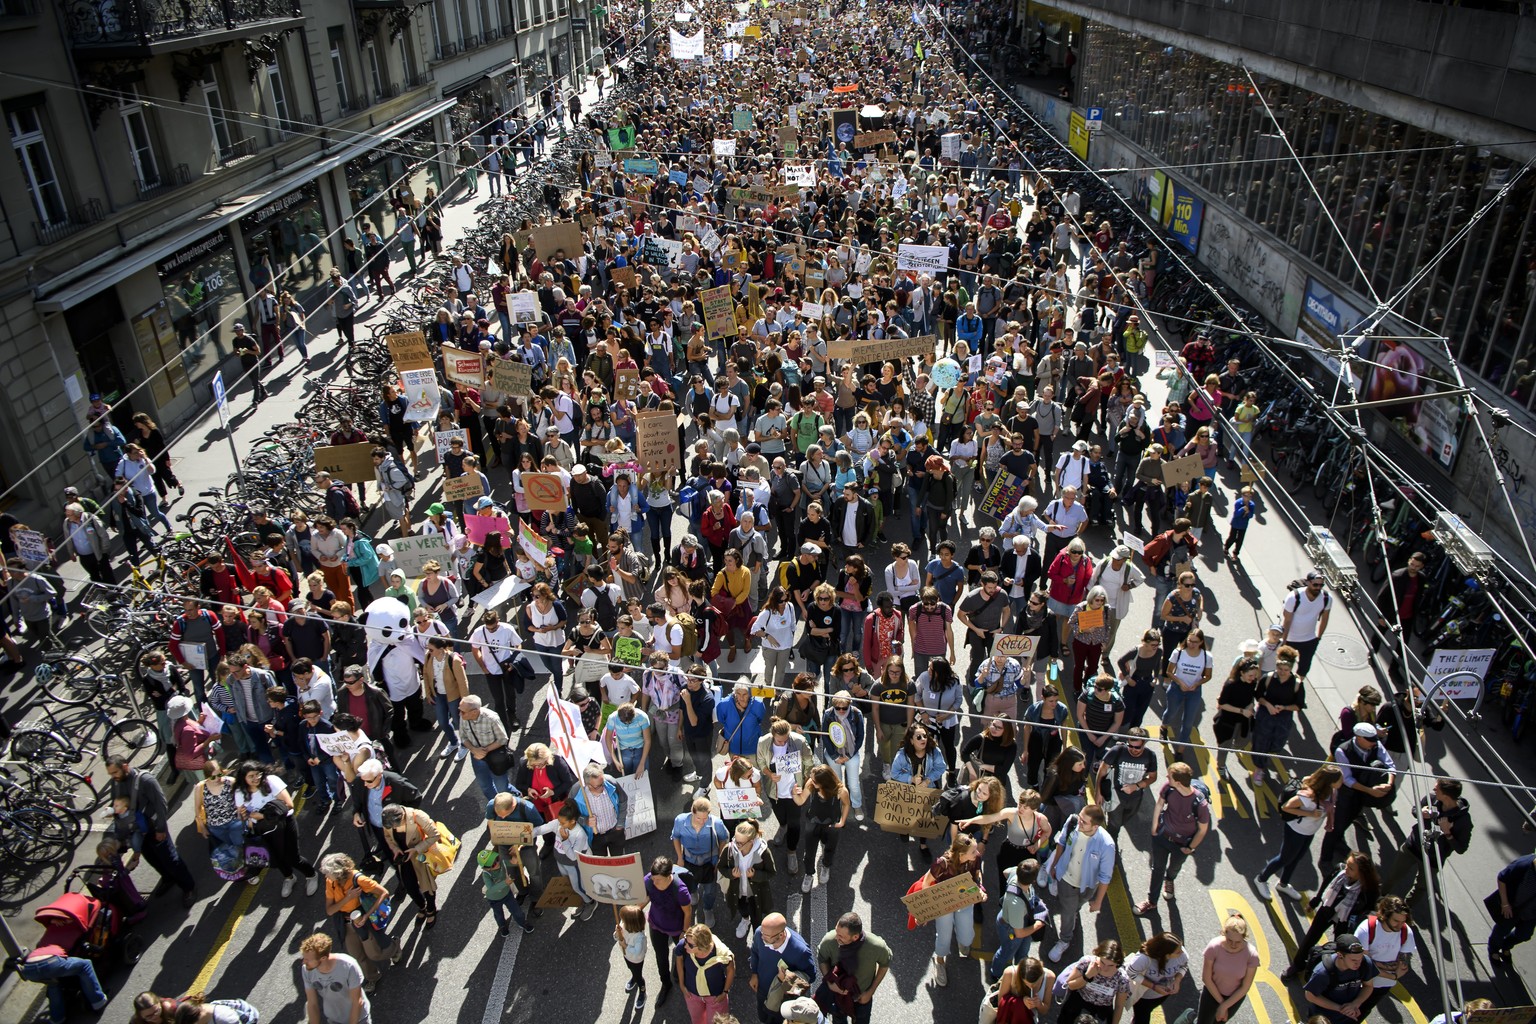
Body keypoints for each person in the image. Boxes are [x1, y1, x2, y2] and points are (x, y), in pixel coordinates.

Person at [106, 754, 196, 907]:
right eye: (111, 774)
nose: (113, 776)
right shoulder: (116, 782)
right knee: (152, 858)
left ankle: (188, 887)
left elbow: (161, 805)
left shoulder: (146, 780)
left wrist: (161, 829)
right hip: (138, 831)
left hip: (154, 828)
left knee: (171, 860)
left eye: (115, 772)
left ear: (125, 766)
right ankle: (167, 878)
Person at [1281, 851, 1381, 980]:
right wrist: (1315, 901)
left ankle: (1329, 973)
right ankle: (1297, 965)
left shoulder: (1370, 889)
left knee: (1338, 947)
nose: (1346, 869)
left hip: (1345, 921)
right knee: (1310, 937)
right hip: (1328, 908)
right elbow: (1326, 884)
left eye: (1351, 868)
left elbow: (1369, 910)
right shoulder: (1339, 870)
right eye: (1347, 864)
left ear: (1361, 874)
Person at [1254, 765, 1343, 900]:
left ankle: (1283, 884)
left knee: (1296, 857)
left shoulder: (1331, 791)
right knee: (1284, 858)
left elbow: (1330, 807)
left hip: (1309, 831)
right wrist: (1310, 813)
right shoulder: (1308, 795)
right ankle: (1261, 879)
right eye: (1340, 779)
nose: (1342, 781)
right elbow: (1286, 807)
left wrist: (1329, 820)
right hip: (1296, 830)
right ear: (1330, 781)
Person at [1317, 724, 1397, 870]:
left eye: (1374, 739)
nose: (1374, 742)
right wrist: (1369, 791)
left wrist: (1389, 784)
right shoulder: (1343, 750)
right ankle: (1325, 859)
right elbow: (1347, 779)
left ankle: (1338, 843)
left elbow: (1390, 765)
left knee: (1348, 820)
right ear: (1359, 738)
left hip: (1361, 796)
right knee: (1335, 827)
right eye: (1369, 739)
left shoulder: (1376, 745)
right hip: (1346, 796)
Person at [233, 759, 318, 896]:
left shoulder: (271, 781)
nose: (256, 778)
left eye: (258, 774)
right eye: (251, 776)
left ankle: (311, 875)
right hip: (263, 829)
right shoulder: (239, 792)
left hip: (284, 823)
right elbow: (242, 816)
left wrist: (263, 816)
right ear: (243, 778)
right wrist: (243, 816)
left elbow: (288, 805)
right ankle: (289, 878)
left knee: (293, 857)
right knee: (276, 858)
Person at [318, 852, 402, 990]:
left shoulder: (358, 879)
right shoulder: (330, 882)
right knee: (357, 955)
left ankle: (394, 947)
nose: (326, 876)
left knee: (375, 953)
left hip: (362, 919)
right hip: (346, 922)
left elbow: (384, 893)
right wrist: (347, 898)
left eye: (328, 873)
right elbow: (330, 910)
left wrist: (366, 916)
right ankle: (372, 977)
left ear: (338, 873)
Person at [1044, 805, 1116, 963]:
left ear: (1095, 826)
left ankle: (1075, 911)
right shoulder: (1073, 822)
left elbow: (1105, 877)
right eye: (1080, 818)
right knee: (1067, 912)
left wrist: (1098, 902)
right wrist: (1056, 865)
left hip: (1088, 886)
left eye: (1084, 821)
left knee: (1077, 905)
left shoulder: (1106, 845)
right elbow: (1061, 843)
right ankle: (1065, 940)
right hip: (1067, 880)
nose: (1079, 823)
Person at [1139, 761, 1210, 914]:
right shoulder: (1169, 788)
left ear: (1178, 782)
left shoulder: (1200, 804)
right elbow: (1159, 805)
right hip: (1162, 837)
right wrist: (1154, 828)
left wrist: (1190, 848)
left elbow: (1202, 830)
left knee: (1174, 868)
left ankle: (1169, 879)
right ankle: (1152, 901)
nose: (1166, 777)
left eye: (1169, 776)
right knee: (1157, 868)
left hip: (1182, 844)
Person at [815, 912, 893, 1024]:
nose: (836, 937)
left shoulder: (876, 946)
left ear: (855, 937)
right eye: (836, 931)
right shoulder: (830, 940)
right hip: (838, 996)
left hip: (862, 997)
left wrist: (870, 992)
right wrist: (830, 984)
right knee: (838, 1020)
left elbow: (884, 965)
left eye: (841, 936)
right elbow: (822, 959)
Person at [640, 856, 693, 1007]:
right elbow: (647, 896)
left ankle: (680, 974)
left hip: (677, 928)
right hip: (656, 925)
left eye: (657, 880)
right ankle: (666, 983)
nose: (653, 882)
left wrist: (684, 931)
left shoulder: (680, 890)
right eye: (653, 878)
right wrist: (636, 910)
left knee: (683, 954)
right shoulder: (649, 880)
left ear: (669, 876)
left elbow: (688, 912)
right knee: (660, 956)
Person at [748, 911, 817, 1024]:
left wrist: (787, 976)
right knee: (763, 1017)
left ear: (781, 935)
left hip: (783, 996)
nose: (762, 937)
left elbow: (810, 975)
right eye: (762, 933)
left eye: (766, 936)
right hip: (762, 988)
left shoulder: (800, 951)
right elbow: (754, 952)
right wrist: (754, 973)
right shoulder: (759, 934)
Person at [1353, 896, 1416, 1016]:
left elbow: (1403, 965)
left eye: (1403, 921)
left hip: (1383, 985)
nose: (1400, 925)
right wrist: (1392, 975)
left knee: (1361, 1014)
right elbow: (1363, 964)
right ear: (1384, 915)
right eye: (1396, 921)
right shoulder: (1366, 929)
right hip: (1359, 982)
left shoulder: (1406, 932)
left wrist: (1374, 965)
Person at [672, 797, 730, 928]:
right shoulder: (680, 821)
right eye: (699, 818)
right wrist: (680, 857)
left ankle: (707, 909)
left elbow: (724, 840)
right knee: (690, 882)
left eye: (705, 818)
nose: (702, 822)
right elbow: (675, 837)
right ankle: (693, 893)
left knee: (710, 890)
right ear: (692, 812)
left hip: (710, 860)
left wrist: (720, 859)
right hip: (688, 859)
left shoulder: (717, 823)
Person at [988, 858, 1048, 983]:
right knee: (1007, 952)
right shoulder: (1017, 904)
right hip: (1012, 927)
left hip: (1020, 920)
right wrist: (1038, 924)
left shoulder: (1015, 873)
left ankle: (1020, 969)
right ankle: (996, 973)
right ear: (1033, 880)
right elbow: (1019, 933)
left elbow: (1005, 872)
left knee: (1023, 950)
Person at [1095, 727, 1158, 837]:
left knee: (1123, 821)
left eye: (1137, 747)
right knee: (1114, 825)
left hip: (1135, 798)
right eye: (1130, 746)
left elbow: (1153, 777)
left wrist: (1136, 786)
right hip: (1116, 796)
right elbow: (1102, 770)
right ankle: (1110, 844)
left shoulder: (1150, 756)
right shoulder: (1118, 750)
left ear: (1144, 744)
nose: (1133, 749)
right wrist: (1098, 792)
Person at [1301, 939, 1380, 1024]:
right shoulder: (1322, 972)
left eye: (1360, 958)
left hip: (1348, 1016)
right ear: (1340, 955)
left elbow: (1368, 986)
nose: (1358, 963)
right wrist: (1340, 1008)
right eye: (1353, 960)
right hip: (1323, 1018)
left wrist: (1355, 1003)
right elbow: (1310, 995)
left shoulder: (1365, 963)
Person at [298, 931, 370, 1023]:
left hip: (358, 1019)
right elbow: (312, 1003)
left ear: (323, 958)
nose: (303, 962)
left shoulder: (348, 966)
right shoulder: (307, 970)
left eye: (307, 960)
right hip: (334, 1020)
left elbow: (357, 1002)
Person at [1200, 914, 1259, 1024]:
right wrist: (1222, 1004)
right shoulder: (1214, 946)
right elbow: (1206, 978)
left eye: (1238, 942)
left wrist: (1224, 1007)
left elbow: (1245, 987)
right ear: (1224, 933)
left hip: (1233, 999)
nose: (1233, 945)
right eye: (1229, 940)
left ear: (1244, 937)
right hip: (1211, 993)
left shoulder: (1251, 955)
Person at [674, 923, 736, 1024]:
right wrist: (681, 984)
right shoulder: (684, 947)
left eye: (690, 945)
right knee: (697, 1021)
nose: (685, 945)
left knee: (715, 1022)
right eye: (685, 940)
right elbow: (679, 958)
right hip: (692, 994)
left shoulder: (721, 954)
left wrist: (725, 992)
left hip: (715, 997)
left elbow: (731, 969)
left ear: (702, 947)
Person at [1057, 938, 1129, 1024]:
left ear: (1118, 963)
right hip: (1078, 1002)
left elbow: (1119, 1006)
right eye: (1102, 962)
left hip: (1102, 1010)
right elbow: (1070, 985)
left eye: (1111, 965)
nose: (1105, 968)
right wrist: (1087, 976)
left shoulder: (1122, 978)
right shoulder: (1086, 962)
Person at [1124, 932, 1188, 1024]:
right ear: (1166, 954)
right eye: (1177, 952)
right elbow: (1131, 973)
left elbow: (1184, 966)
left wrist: (1177, 980)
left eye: (1181, 948)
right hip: (1144, 997)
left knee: (1146, 1012)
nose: (1182, 952)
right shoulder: (1143, 959)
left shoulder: (1181, 954)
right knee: (1142, 1018)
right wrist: (1153, 986)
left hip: (1163, 995)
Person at [1280, 570, 1332, 678]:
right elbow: (1287, 620)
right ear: (1308, 583)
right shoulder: (1294, 597)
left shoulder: (1327, 598)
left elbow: (1325, 618)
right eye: (1315, 584)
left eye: (1321, 585)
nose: (1318, 587)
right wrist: (1283, 641)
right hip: (1290, 639)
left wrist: (1318, 637)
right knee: (1284, 666)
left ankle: (1297, 686)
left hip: (1309, 639)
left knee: (1304, 668)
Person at [1487, 852, 1536, 964]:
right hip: (1512, 908)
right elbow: (1502, 878)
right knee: (1501, 930)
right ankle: (1493, 950)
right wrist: (1505, 904)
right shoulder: (1524, 865)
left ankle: (1506, 945)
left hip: (1531, 913)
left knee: (1524, 935)